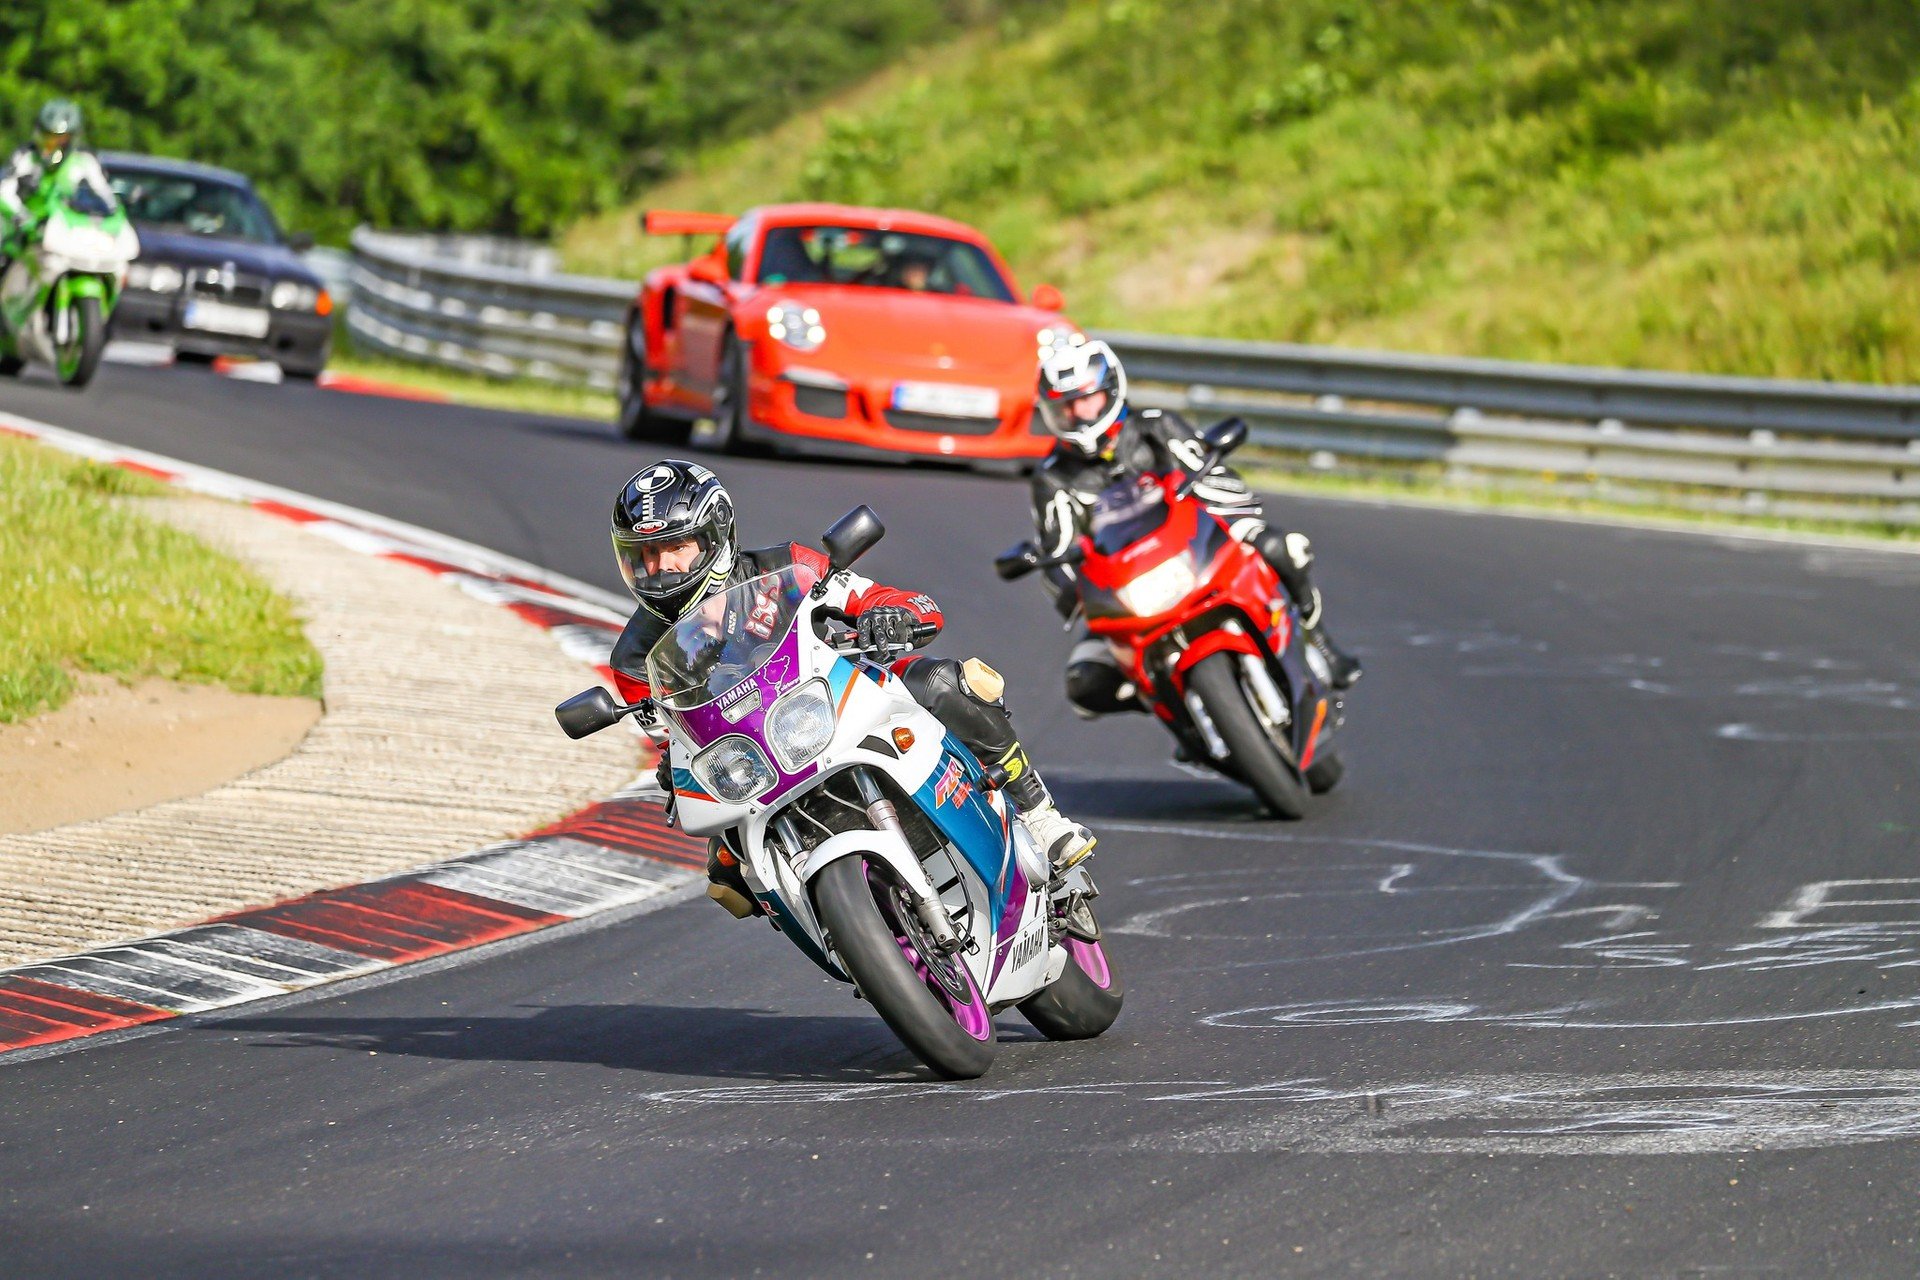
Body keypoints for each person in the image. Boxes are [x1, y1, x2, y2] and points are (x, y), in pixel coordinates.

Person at [605, 459, 1098, 915]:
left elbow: (880, 596)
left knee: (948, 683)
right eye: (646, 554)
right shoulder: (633, 658)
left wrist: (895, 614)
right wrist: (674, 770)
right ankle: (838, 932)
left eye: (676, 547)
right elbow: (673, 741)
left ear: (714, 538)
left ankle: (1039, 815)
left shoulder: (784, 568)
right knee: (727, 875)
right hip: (758, 756)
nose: (661, 567)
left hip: (842, 702)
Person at [1029, 339, 1362, 720]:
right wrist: (1079, 596)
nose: (1078, 413)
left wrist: (1237, 523)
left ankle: (1319, 642)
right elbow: (1056, 551)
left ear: (1110, 390)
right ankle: (1179, 712)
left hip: (1198, 546)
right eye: (1065, 406)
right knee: (1084, 685)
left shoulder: (1157, 425)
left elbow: (1213, 477)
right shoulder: (1052, 476)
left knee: (1285, 548)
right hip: (1127, 589)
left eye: (1085, 399)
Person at [0, 100, 115, 271]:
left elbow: (105, 196)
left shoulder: (85, 161)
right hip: (23, 232)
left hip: (68, 236)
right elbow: (4, 192)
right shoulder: (26, 156)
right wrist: (22, 216)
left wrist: (110, 215)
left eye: (57, 139)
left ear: (71, 139)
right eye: (46, 137)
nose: (50, 145)